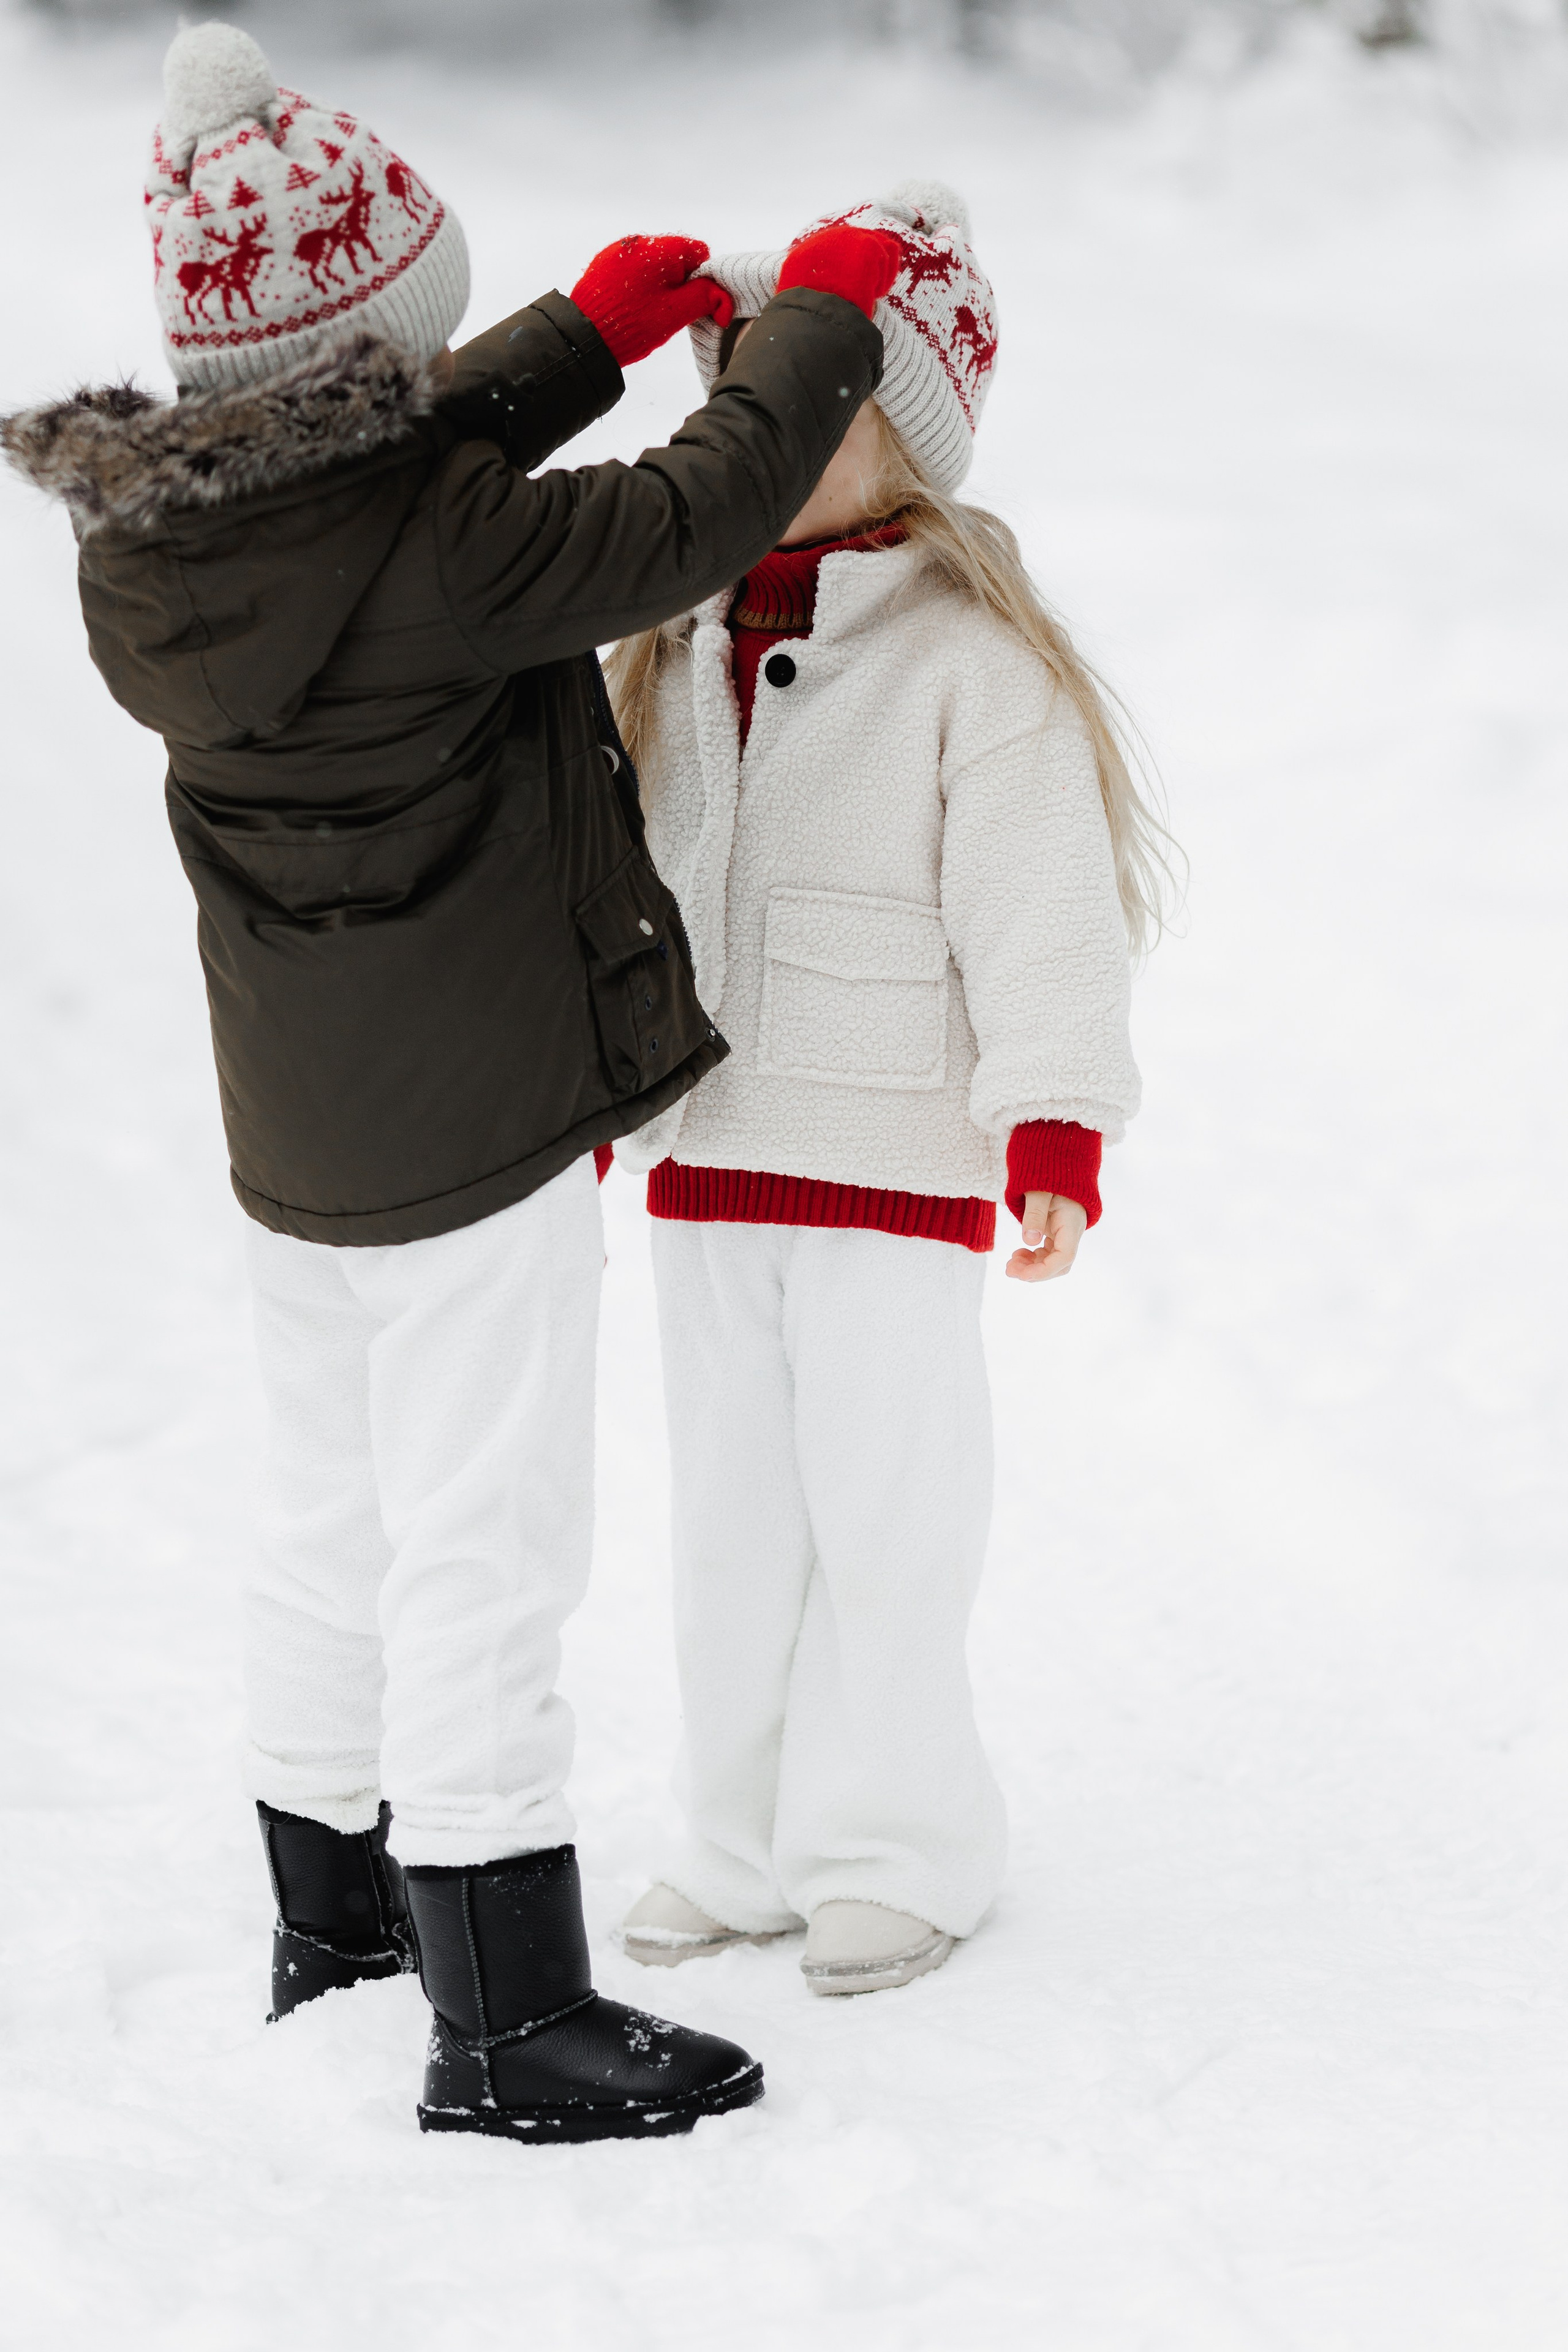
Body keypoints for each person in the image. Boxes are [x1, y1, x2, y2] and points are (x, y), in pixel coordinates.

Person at [1, 23, 901, 2140]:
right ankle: (506, 2015)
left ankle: (332, 1921)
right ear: (366, 344)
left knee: (329, 1523)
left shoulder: (165, 553)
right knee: (487, 1543)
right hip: (478, 1141)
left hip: (299, 1140)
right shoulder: (458, 554)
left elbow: (366, 469)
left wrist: (567, 343)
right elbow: (705, 507)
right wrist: (823, 319)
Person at [608, 184, 1168, 1996]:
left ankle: (903, 1846)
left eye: (815, 415)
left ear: (905, 442)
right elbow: (624, 874)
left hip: (885, 1164)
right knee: (728, 1528)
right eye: (739, 407)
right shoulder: (673, 638)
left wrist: (1053, 1123)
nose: (766, 452)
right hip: (710, 1164)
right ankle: (740, 1839)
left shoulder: (965, 665)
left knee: (887, 1520)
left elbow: (1043, 911)